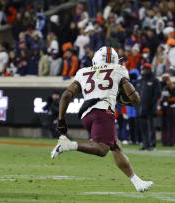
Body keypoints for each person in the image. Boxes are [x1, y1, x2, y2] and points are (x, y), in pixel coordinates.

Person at [51, 46, 153, 192]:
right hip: (103, 112)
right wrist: (122, 100)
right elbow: (135, 99)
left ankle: (137, 181)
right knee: (102, 149)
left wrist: (61, 120)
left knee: (115, 146)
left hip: (86, 114)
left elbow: (66, 96)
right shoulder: (119, 69)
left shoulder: (83, 71)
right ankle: (68, 145)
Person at [135, 64, 161, 151]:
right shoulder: (140, 81)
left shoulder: (155, 80)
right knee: (143, 128)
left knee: (150, 127)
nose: (144, 71)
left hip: (150, 109)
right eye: (143, 69)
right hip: (141, 109)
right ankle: (145, 144)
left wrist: (152, 105)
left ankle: (152, 145)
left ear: (150, 70)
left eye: (146, 69)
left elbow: (158, 94)